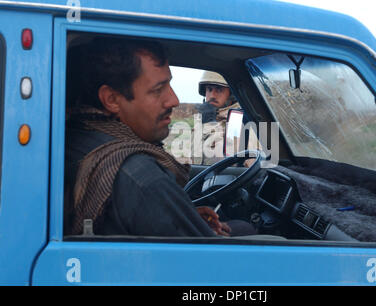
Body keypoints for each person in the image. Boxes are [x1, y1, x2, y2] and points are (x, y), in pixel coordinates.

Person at [64, 37, 256, 237]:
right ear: (112, 99)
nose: (174, 100)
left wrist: (183, 214)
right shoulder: (143, 179)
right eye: (158, 90)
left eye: (169, 86)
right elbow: (205, 262)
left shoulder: (77, 139)